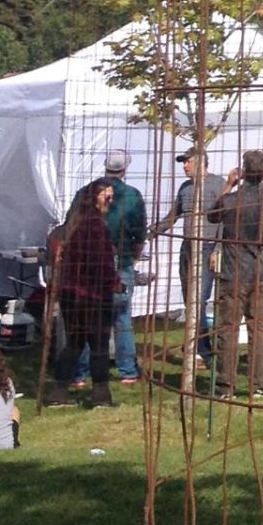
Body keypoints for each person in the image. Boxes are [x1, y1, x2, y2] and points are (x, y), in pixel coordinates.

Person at [210, 149, 263, 399]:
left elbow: (212, 217)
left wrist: (228, 186)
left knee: (228, 329)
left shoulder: (231, 201)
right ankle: (258, 384)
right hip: (259, 271)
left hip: (233, 272)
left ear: (243, 172)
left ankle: (225, 386)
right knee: (258, 329)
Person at [44, 179, 122, 406]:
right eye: (106, 196)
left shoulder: (74, 224)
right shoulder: (95, 226)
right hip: (91, 294)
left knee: (75, 342)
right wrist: (114, 282)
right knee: (98, 345)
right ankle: (101, 397)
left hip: (71, 293)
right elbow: (101, 262)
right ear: (94, 198)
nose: (110, 200)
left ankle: (58, 393)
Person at [153, 147, 223, 357]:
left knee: (198, 298)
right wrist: (150, 233)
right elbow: (172, 216)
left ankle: (202, 348)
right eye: (183, 162)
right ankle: (199, 344)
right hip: (187, 248)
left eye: (188, 161)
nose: (185, 166)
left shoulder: (217, 185)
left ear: (201, 162)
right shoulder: (185, 188)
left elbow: (225, 219)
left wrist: (218, 249)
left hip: (208, 246)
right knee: (189, 298)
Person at [101, 151, 148, 386]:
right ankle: (128, 371)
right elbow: (139, 233)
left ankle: (80, 371)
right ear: (124, 170)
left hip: (92, 260)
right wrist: (133, 259)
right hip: (121, 260)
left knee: (88, 315)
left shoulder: (87, 192)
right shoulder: (132, 195)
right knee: (121, 316)